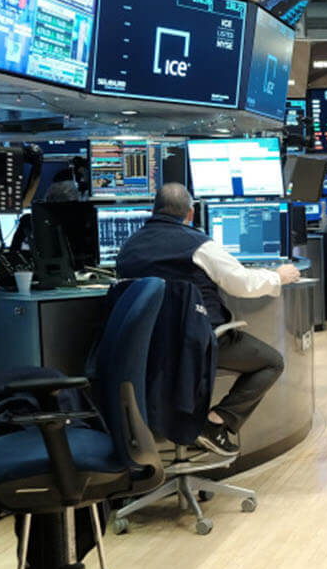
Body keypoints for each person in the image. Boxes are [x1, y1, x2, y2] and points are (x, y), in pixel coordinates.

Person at [116, 183, 301, 456]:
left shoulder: (128, 247)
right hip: (196, 341)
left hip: (145, 346)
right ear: (190, 214)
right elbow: (242, 284)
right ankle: (215, 423)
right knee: (272, 362)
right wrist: (278, 277)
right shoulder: (198, 244)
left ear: (153, 209)